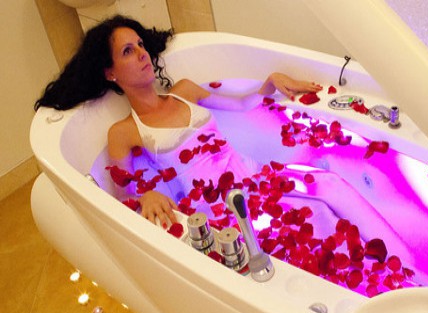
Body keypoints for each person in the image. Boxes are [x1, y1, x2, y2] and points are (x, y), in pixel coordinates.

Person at [35, 15, 323, 227]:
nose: (142, 53)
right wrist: (145, 196)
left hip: (252, 176)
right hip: (215, 212)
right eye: (128, 51)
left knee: (325, 193)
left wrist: (270, 82)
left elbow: (240, 104)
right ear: (110, 73)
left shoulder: (184, 91)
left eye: (140, 44)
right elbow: (122, 197)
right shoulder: (123, 131)